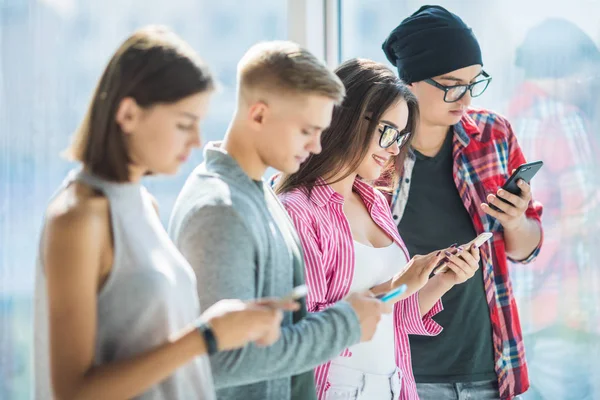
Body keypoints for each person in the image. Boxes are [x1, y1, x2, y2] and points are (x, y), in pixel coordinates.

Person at [33, 26, 291, 400]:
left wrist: (236, 322)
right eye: (184, 123)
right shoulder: (77, 218)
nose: (196, 140)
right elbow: (73, 392)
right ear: (128, 113)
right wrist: (208, 335)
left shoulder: (144, 204)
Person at [168, 41, 389, 400]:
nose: (317, 146)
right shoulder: (220, 211)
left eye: (321, 130)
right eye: (306, 131)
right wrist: (345, 325)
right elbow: (222, 360)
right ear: (258, 115)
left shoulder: (261, 194)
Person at [275, 58, 481, 400]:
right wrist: (395, 285)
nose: (395, 149)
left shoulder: (374, 201)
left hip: (393, 387)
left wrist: (443, 280)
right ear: (347, 119)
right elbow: (304, 332)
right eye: (388, 132)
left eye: (400, 136)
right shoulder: (298, 210)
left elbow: (392, 319)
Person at [381, 6, 544, 400]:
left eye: (475, 82)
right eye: (452, 85)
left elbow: (527, 249)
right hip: (403, 370)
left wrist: (517, 221)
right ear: (411, 80)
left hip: (488, 366)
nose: (466, 98)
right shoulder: (376, 150)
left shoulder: (494, 134)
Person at [508, 18, 600, 400]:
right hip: (564, 312)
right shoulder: (564, 119)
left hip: (516, 312)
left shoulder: (503, 117)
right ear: (568, 67)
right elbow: (590, 217)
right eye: (587, 70)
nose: (591, 82)